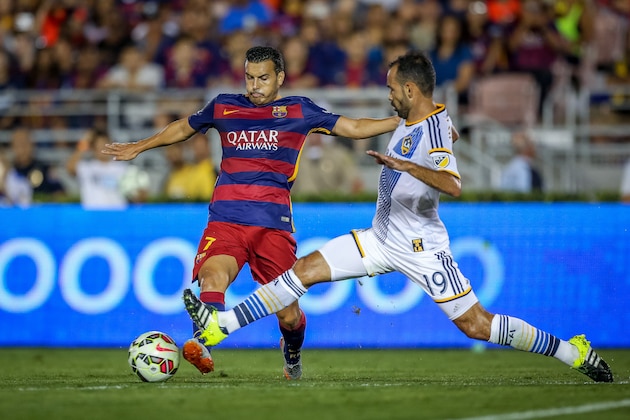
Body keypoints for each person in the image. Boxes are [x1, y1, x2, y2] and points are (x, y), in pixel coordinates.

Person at [183, 50, 613, 383]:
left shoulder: (432, 128)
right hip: (380, 238)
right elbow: (439, 130)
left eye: (391, 88)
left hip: (422, 248)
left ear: (409, 90)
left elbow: (452, 183)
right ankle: (222, 326)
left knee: (477, 325)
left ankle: (570, 351)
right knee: (304, 270)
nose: (387, 94)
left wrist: (409, 167)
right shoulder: (414, 119)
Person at [102, 46, 400, 380]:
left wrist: (404, 121)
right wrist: (139, 146)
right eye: (249, 77)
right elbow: (184, 127)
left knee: (288, 316)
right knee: (212, 278)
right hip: (226, 219)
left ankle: (292, 352)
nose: (254, 85)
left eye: (263, 78)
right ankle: (206, 343)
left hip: (273, 227)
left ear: (280, 78)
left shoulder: (299, 110)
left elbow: (355, 126)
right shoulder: (224, 105)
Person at [66, 128, 129, 210]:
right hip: (93, 216)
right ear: (93, 148)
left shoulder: (123, 168)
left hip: (117, 215)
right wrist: (84, 142)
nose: (102, 149)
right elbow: (70, 168)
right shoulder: (87, 167)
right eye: (99, 145)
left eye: (105, 145)